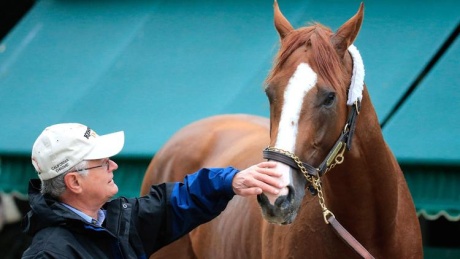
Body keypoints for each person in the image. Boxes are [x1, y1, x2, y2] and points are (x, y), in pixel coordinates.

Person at [21, 123, 283, 258]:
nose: (114, 165)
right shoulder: (49, 254)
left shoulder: (113, 220)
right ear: (74, 182)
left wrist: (230, 181)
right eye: (102, 162)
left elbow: (175, 202)